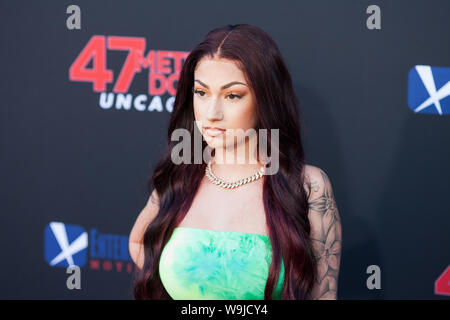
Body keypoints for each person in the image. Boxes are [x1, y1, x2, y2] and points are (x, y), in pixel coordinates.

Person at [129, 24, 342, 300]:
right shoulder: (181, 176)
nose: (212, 113)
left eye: (232, 95)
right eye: (201, 93)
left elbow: (323, 297)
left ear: (265, 100)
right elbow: (138, 242)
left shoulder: (308, 187)